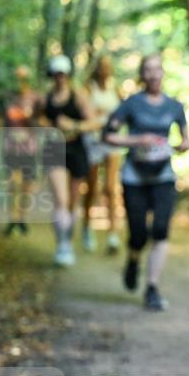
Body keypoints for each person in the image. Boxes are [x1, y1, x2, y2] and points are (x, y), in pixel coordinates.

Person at [103, 53, 189, 311]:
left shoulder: (175, 106)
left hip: (163, 175)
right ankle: (132, 260)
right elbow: (108, 135)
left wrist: (179, 146)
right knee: (139, 234)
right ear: (142, 75)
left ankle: (152, 287)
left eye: (157, 69)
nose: (153, 74)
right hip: (134, 177)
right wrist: (136, 141)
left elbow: (187, 141)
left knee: (161, 230)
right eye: (148, 70)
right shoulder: (131, 104)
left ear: (163, 73)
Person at [37, 54, 100, 267]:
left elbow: (94, 123)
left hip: (77, 151)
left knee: (73, 203)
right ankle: (62, 244)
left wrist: (73, 125)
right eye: (56, 75)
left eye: (63, 74)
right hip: (54, 150)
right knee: (61, 200)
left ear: (68, 75)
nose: (60, 78)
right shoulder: (45, 99)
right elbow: (35, 119)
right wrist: (45, 125)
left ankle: (68, 241)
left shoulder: (79, 97)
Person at [81, 56, 124, 254]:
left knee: (111, 187)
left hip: (112, 142)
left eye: (107, 67)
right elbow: (85, 112)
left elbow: (124, 112)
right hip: (93, 142)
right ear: (96, 69)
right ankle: (87, 227)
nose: (104, 70)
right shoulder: (89, 89)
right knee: (92, 188)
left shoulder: (116, 89)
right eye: (101, 67)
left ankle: (113, 234)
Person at [0, 66, 40, 236]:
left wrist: (30, 119)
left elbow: (41, 122)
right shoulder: (7, 99)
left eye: (24, 78)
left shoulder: (35, 98)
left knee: (26, 186)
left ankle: (22, 219)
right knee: (12, 185)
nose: (20, 82)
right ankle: (12, 219)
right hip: (10, 148)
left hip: (29, 149)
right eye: (18, 78)